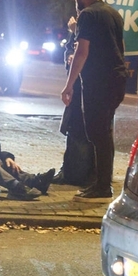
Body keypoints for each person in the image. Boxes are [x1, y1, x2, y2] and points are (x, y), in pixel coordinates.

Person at [60, 0, 127, 199]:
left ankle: (102, 186)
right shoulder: (114, 14)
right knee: (104, 132)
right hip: (117, 79)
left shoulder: (87, 15)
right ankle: (102, 182)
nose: (75, 1)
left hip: (99, 81)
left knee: (97, 132)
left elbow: (82, 52)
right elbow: (119, 46)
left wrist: (69, 85)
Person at [52, 14, 95, 186]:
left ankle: (82, 174)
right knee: (73, 128)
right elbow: (70, 49)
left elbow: (93, 50)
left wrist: (77, 30)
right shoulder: (79, 23)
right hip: (78, 86)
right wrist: (70, 57)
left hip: (91, 87)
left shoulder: (93, 21)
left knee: (84, 131)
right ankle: (69, 171)